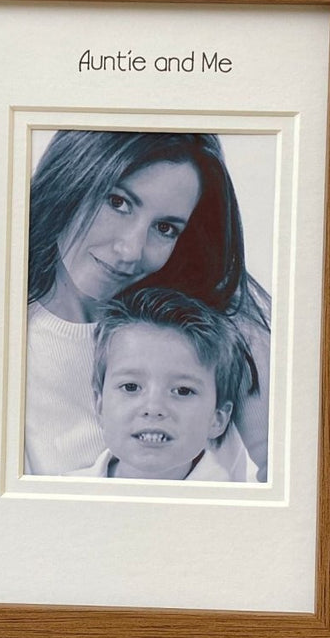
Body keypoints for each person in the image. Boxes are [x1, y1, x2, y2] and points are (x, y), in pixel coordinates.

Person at [25, 129, 271, 480]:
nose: (131, 250)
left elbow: (291, 470)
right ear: (71, 178)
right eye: (118, 202)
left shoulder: (219, 316)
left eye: (166, 228)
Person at [74, 288, 259, 481]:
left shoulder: (234, 506)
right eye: (131, 387)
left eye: (183, 391)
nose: (153, 409)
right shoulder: (62, 494)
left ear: (218, 418)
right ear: (100, 405)